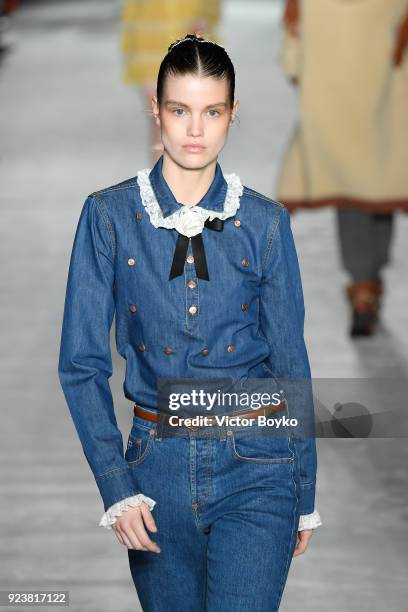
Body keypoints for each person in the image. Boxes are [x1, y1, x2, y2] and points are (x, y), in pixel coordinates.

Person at [58, 33, 322, 612]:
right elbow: (80, 365)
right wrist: (116, 487)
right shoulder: (108, 217)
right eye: (179, 110)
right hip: (157, 471)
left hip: (259, 465)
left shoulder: (266, 224)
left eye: (212, 112)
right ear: (157, 110)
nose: (195, 130)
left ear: (232, 114)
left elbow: (289, 365)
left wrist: (304, 491)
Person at [278, 0, 408, 337]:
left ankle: (363, 284)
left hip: (335, 89)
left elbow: (292, 51)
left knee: (350, 179)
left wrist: (297, 65)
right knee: (381, 177)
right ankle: (368, 281)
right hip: (391, 80)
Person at [119, 0, 221, 165]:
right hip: (148, 49)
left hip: (191, 45)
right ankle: (162, 184)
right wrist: (130, 51)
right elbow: (132, 10)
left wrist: (205, 21)